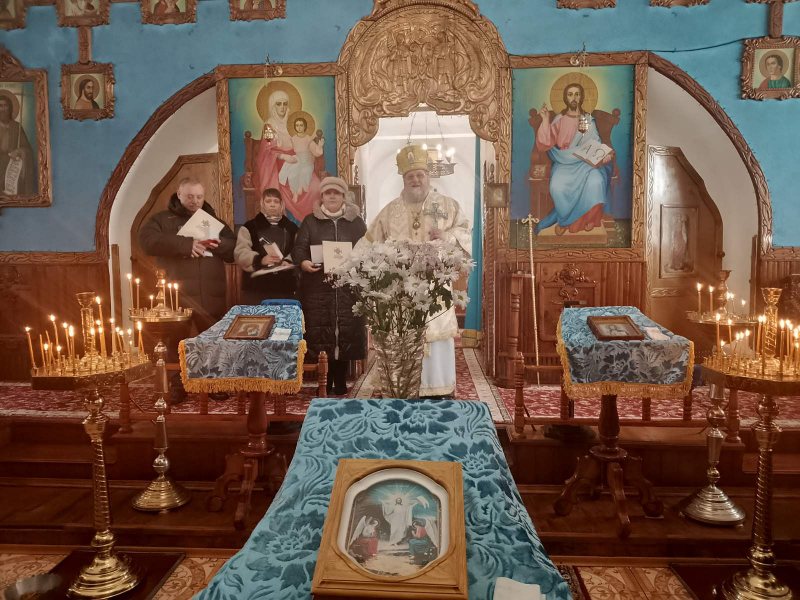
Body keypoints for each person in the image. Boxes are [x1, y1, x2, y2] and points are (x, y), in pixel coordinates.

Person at [362, 143, 471, 398]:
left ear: (428, 176)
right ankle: (402, 386)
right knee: (402, 334)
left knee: (435, 333)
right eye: (410, 175)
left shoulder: (447, 205)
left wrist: (446, 236)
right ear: (403, 179)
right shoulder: (389, 211)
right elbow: (370, 242)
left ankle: (437, 387)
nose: (415, 180)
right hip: (400, 289)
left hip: (435, 285)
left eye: (420, 174)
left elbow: (465, 232)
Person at [139, 177, 235, 403]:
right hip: (177, 296)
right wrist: (185, 244)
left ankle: (213, 384)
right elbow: (147, 241)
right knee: (175, 343)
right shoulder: (162, 220)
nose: (195, 201)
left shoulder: (213, 221)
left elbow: (233, 249)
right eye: (190, 196)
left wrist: (218, 243)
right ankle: (177, 386)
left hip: (211, 294)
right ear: (179, 195)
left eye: (199, 197)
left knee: (212, 342)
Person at [293, 176, 366, 395]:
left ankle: (340, 379)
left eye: (336, 193)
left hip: (347, 287)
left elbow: (366, 249)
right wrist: (303, 262)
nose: (332, 196)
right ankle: (324, 382)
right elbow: (299, 248)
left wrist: (357, 265)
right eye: (328, 193)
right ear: (322, 196)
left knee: (343, 331)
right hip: (318, 287)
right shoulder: (310, 222)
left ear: (344, 196)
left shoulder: (356, 223)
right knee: (322, 332)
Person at [534, 82, 614, 235]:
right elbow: (545, 143)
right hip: (564, 162)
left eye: (577, 94)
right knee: (557, 187)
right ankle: (565, 221)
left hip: (585, 163)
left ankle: (589, 220)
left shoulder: (587, 120)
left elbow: (595, 143)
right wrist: (545, 119)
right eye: (570, 94)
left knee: (596, 181)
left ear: (581, 97)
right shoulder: (559, 119)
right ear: (565, 98)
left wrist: (605, 154)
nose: (574, 98)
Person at [234, 187, 298, 304]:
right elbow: (240, 253)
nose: (272, 204)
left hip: (285, 288)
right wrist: (260, 260)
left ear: (281, 205)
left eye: (276, 201)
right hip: (256, 289)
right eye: (268, 201)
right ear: (262, 204)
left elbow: (298, 250)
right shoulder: (249, 227)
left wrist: (288, 261)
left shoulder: (292, 228)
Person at [278, 116, 323, 212]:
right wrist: (280, 143)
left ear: (305, 126)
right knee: (292, 173)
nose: (299, 127)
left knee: (304, 172)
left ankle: (300, 190)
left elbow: (316, 153)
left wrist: (319, 146)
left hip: (307, 162)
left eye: (301, 125)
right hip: (297, 160)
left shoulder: (308, 139)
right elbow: (286, 147)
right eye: (297, 125)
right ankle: (295, 192)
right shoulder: (293, 138)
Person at [0, 94, 34, 197]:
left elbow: (27, 149)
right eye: (0, 106)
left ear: (10, 108)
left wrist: (20, 151)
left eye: (5, 105)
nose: (3, 109)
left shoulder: (16, 127)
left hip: (13, 168)